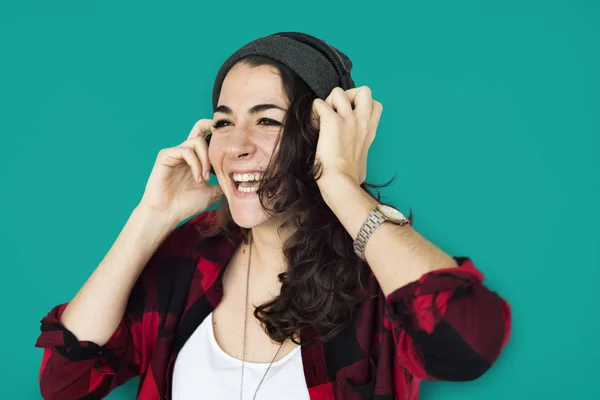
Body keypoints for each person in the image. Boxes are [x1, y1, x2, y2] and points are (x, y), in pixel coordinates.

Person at [34, 32, 511, 400]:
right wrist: (150, 217)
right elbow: (66, 382)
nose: (237, 145)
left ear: (320, 135)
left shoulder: (380, 275)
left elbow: (465, 347)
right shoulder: (188, 260)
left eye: (267, 120)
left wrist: (341, 183)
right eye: (223, 122)